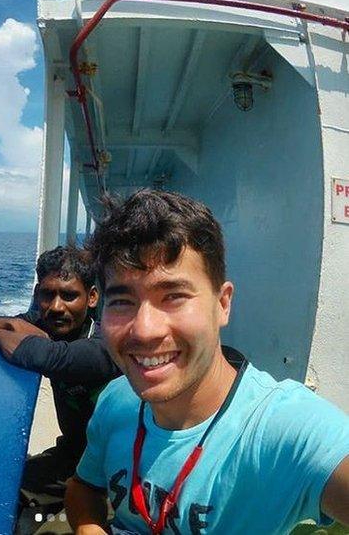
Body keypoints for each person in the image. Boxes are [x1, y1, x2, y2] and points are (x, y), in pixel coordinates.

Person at [65, 189, 349, 534]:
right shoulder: (117, 399)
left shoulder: (283, 429)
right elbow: (84, 488)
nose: (144, 330)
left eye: (173, 296)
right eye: (122, 301)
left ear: (222, 304)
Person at [0, 245, 120, 530]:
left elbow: (47, 356)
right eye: (48, 295)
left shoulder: (105, 346)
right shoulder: (45, 322)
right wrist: (9, 323)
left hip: (114, 475)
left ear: (92, 297)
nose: (57, 307)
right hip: (72, 456)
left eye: (69, 295)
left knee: (45, 529)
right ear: (37, 295)